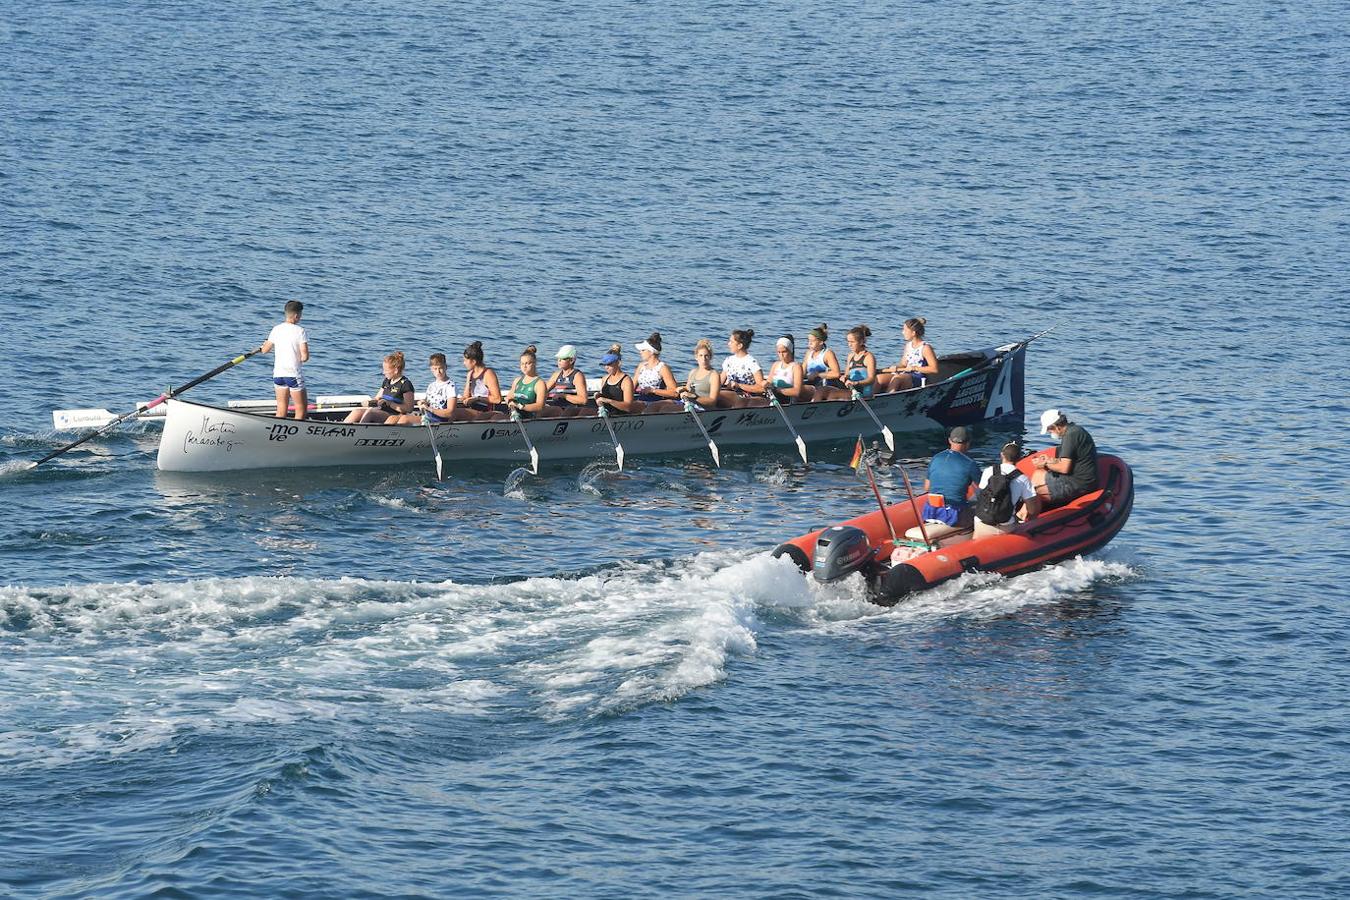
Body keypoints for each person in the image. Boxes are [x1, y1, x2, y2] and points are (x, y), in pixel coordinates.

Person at [1031, 409, 1099, 508]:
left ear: (1055, 426)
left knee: (1033, 494)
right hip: (1082, 479)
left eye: (1050, 429)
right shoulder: (1075, 430)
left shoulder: (1070, 436)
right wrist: (1049, 460)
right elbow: (1070, 459)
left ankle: (1024, 515)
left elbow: (1064, 468)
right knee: (1039, 474)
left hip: (1079, 483)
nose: (1050, 432)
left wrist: (1045, 464)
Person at [973, 441, 1040, 538]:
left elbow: (981, 495)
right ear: (1019, 458)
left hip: (982, 521)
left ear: (1002, 455)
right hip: (1005, 525)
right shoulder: (1023, 478)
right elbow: (1032, 509)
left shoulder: (988, 471)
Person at [921, 425, 983, 529]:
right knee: (981, 508)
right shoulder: (970, 463)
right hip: (954, 515)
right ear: (968, 443)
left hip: (930, 512)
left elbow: (927, 487)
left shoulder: (936, 458)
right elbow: (984, 488)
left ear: (949, 440)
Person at [259, 300, 310, 419]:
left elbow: (264, 350)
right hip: (293, 374)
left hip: (278, 375)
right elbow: (305, 357)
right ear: (297, 316)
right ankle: (296, 435)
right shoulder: (300, 331)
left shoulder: (276, 329)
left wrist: (264, 345)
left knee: (281, 408)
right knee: (301, 408)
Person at [345, 351, 415, 424]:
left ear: (396, 370)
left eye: (386, 370)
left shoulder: (406, 384)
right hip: (383, 411)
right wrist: (371, 402)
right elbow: (377, 398)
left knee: (371, 413)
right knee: (357, 411)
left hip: (395, 415)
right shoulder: (387, 381)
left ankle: (360, 431)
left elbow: (409, 408)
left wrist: (390, 404)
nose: (383, 372)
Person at [388, 352, 458, 425]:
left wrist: (429, 409)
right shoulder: (432, 385)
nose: (438, 372)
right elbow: (429, 402)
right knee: (393, 418)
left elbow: (450, 412)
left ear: (446, 367)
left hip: (439, 420)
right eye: (435, 369)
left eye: (441, 368)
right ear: (431, 369)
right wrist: (421, 402)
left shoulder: (450, 386)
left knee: (404, 419)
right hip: (428, 416)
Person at [882, 317, 939, 392]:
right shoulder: (908, 346)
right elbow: (903, 364)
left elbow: (934, 369)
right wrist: (895, 367)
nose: (902, 332)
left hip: (918, 377)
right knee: (880, 378)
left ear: (913, 333)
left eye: (905, 330)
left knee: (897, 379)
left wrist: (914, 368)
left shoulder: (925, 348)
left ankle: (888, 400)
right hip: (905, 374)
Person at [717, 328, 768, 408]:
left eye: (731, 342)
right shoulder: (728, 361)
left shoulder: (752, 363)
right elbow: (719, 383)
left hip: (747, 397)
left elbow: (761, 388)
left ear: (740, 345)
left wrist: (739, 385)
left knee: (717, 395)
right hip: (732, 395)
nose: (728, 344)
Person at [632, 332, 682, 411]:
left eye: (643, 350)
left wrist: (653, 390)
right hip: (641, 401)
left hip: (655, 403)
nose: (640, 352)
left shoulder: (663, 368)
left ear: (651, 352)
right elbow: (632, 387)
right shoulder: (641, 366)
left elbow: (674, 393)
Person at [460, 341, 503, 420]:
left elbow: (497, 399)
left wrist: (477, 398)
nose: (464, 363)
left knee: (457, 413)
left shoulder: (488, 374)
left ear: (473, 361)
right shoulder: (470, 374)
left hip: (487, 411)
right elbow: (465, 397)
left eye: (465, 360)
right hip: (474, 410)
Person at [593, 344, 642, 414]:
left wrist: (609, 401)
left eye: (609, 364)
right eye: (605, 365)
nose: (606, 367)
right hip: (606, 412)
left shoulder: (626, 381)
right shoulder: (605, 378)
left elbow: (628, 407)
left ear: (618, 363)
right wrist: (598, 397)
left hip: (620, 414)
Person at [542, 344, 588, 417]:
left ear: (572, 360)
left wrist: (564, 396)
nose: (559, 361)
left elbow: (583, 400)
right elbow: (543, 391)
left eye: (562, 358)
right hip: (558, 408)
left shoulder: (577, 376)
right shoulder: (556, 374)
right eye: (558, 358)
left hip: (571, 409)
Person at [504, 345, 547, 419]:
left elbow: (540, 406)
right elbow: (509, 397)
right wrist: (509, 402)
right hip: (516, 414)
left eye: (527, 363)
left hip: (529, 417)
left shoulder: (539, 383)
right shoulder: (517, 380)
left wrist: (521, 406)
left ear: (535, 363)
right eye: (522, 364)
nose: (524, 366)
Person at [802, 323, 842, 402]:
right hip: (813, 387)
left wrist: (818, 375)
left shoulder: (828, 354)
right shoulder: (808, 353)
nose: (809, 343)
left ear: (821, 342)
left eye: (812, 341)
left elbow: (836, 374)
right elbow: (802, 373)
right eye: (808, 340)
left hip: (826, 388)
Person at [677, 339, 721, 409]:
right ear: (696, 357)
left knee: (667, 408)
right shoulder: (692, 372)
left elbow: (713, 401)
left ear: (710, 357)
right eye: (701, 355)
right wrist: (682, 389)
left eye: (706, 356)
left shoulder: (714, 375)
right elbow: (688, 388)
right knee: (658, 405)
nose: (704, 359)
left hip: (701, 407)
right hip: (688, 403)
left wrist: (695, 397)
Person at [767, 335, 806, 403]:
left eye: (784, 352)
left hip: (787, 399)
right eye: (779, 352)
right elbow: (768, 383)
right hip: (774, 397)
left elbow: (797, 391)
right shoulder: (775, 365)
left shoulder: (796, 367)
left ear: (790, 351)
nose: (781, 355)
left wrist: (778, 390)